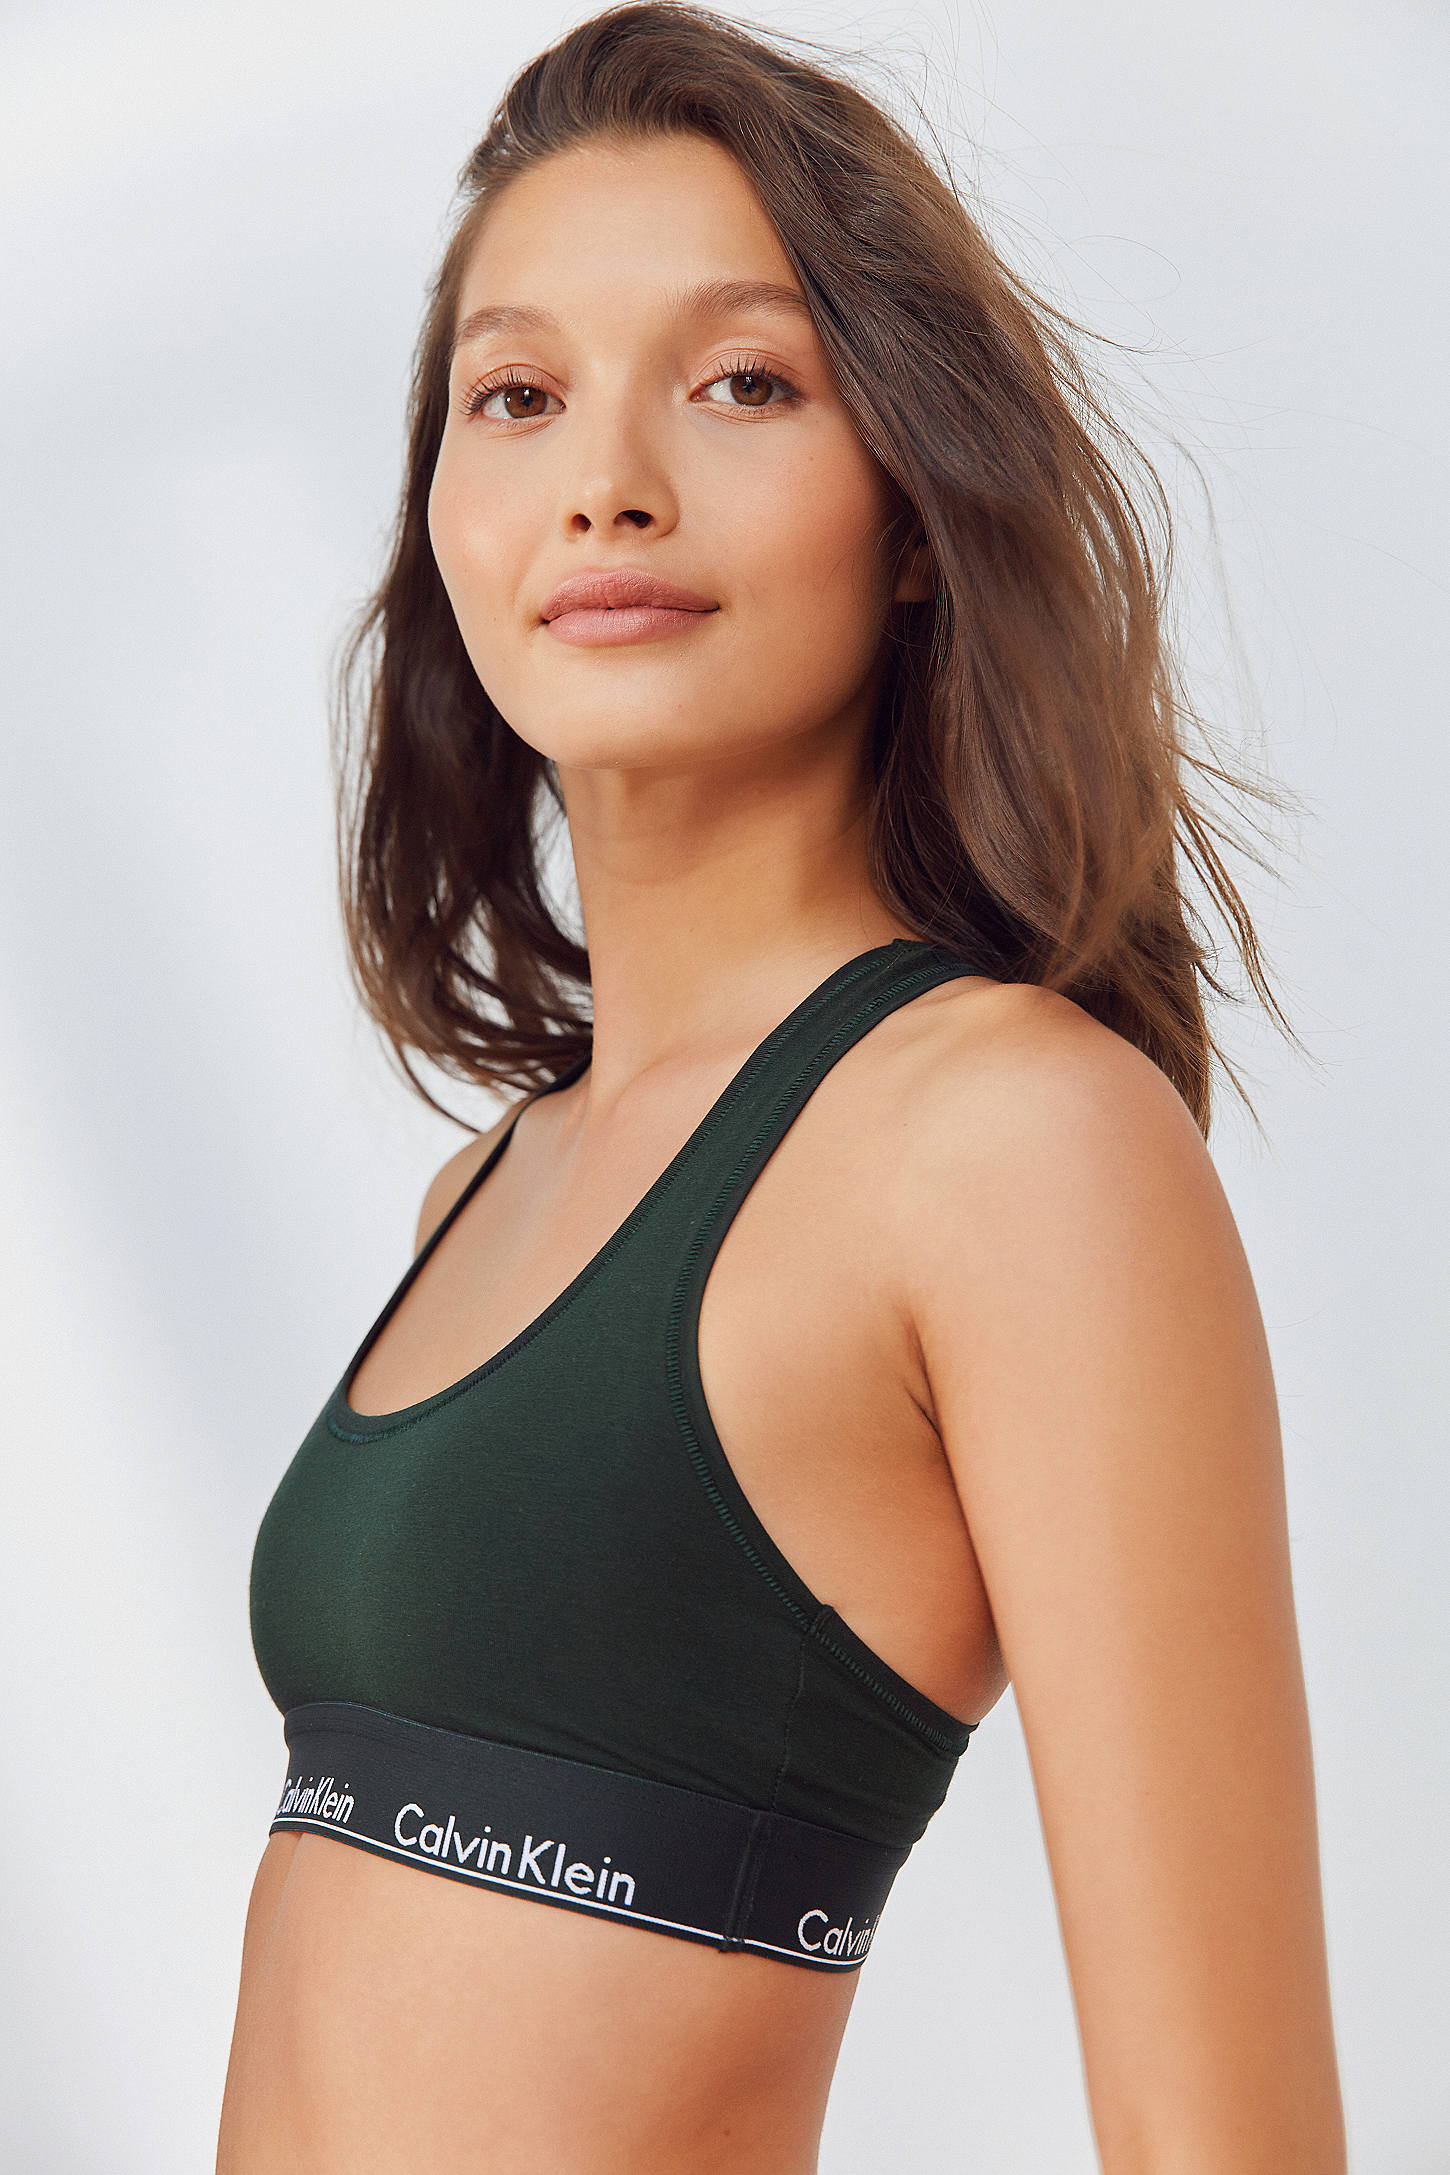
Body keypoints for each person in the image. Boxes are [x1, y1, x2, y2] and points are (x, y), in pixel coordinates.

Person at [218, 6, 1346, 2169]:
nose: (605, 480)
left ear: (913, 505)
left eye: (742, 381)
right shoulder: (492, 1178)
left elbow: (1225, 2136)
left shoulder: (1009, 1143)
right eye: (517, 394)